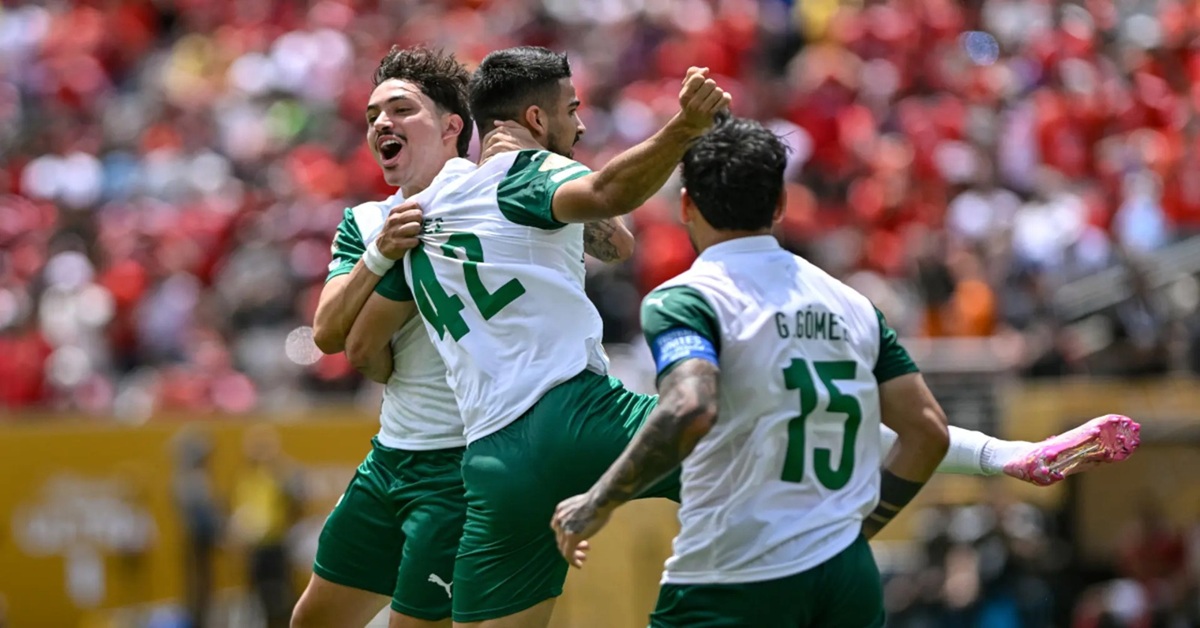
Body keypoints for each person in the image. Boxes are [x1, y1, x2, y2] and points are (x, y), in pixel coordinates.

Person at [351, 47, 1140, 628]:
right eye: (570, 113)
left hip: (485, 457)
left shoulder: (412, 215)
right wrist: (681, 127)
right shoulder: (532, 177)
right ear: (532, 120)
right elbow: (607, 196)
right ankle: (1002, 456)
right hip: (575, 417)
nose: (582, 124)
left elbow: (349, 345)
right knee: (770, 441)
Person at [548, 117, 935, 626]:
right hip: (846, 575)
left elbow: (690, 405)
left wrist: (598, 502)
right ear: (780, 205)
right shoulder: (853, 303)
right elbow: (927, 431)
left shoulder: (686, 299)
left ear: (685, 204)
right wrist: (858, 530)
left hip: (734, 575)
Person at [294, 45, 631, 628]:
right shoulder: (370, 222)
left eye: (401, 110)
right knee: (313, 620)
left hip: (466, 457)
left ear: (454, 126)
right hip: (392, 452)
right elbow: (333, 336)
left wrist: (548, 159)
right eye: (373, 115)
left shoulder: (503, 193)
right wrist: (380, 256)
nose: (382, 124)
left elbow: (614, 242)